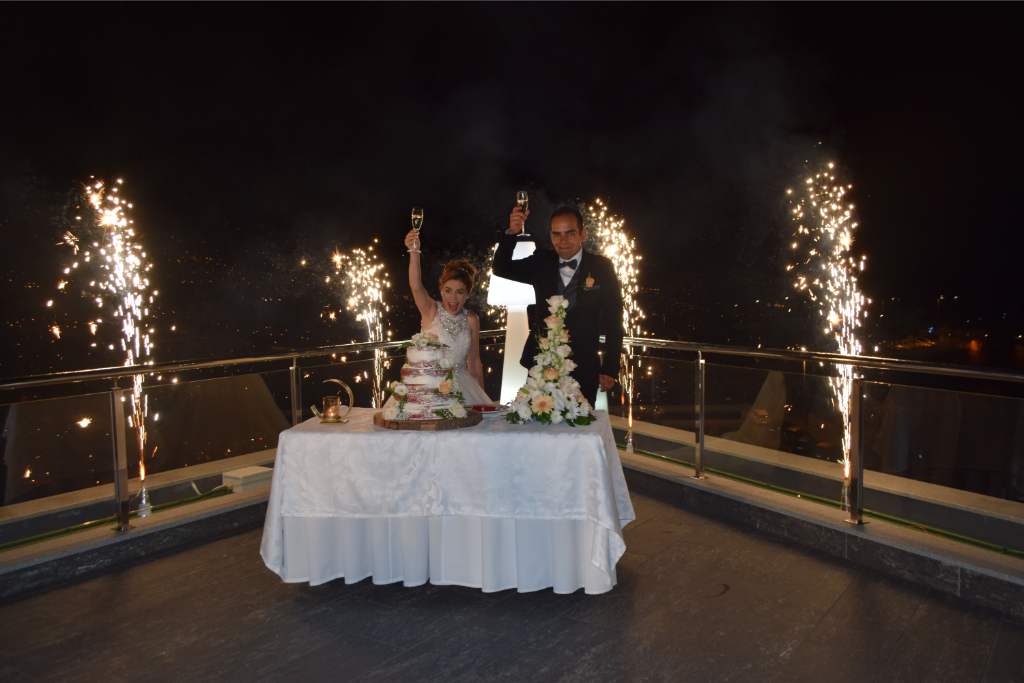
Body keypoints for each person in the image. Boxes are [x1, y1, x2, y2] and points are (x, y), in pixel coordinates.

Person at [493, 203, 623, 405]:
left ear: (583, 234)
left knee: (580, 421)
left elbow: (614, 321)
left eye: (570, 233)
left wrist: (610, 368)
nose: (563, 241)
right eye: (557, 234)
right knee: (538, 420)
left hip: (583, 367)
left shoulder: (602, 267)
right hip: (541, 364)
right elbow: (501, 268)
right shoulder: (542, 261)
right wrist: (512, 233)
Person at [403, 229, 493, 405]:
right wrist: (414, 251)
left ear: (467, 294)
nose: (453, 298)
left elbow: (475, 362)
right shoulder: (430, 310)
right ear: (441, 290)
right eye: (448, 291)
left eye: (460, 292)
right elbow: (416, 286)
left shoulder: (471, 319)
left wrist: (483, 404)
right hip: (429, 388)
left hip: (464, 388)